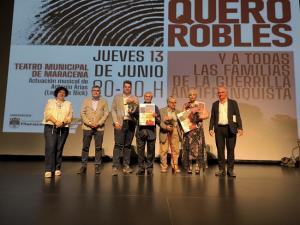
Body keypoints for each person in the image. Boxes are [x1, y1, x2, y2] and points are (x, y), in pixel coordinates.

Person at [209, 86, 243, 177]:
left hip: (230, 128)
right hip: (219, 129)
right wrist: (210, 128)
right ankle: (221, 170)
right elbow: (212, 117)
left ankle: (230, 170)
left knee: (231, 150)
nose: (220, 94)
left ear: (226, 93)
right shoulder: (215, 104)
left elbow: (237, 115)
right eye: (219, 92)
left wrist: (240, 127)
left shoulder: (233, 103)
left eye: (222, 92)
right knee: (220, 150)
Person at [77, 85, 109, 175]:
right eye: (94, 90)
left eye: (97, 90)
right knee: (85, 147)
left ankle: (97, 166)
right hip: (87, 127)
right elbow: (82, 113)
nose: (96, 92)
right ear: (91, 91)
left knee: (98, 148)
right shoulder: (86, 101)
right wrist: (89, 123)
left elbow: (106, 114)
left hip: (99, 128)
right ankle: (83, 166)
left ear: (100, 92)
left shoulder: (104, 101)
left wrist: (98, 123)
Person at [42, 86, 73, 178]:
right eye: (60, 92)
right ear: (56, 93)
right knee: (50, 147)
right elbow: (47, 115)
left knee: (59, 148)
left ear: (65, 94)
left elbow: (70, 117)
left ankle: (57, 168)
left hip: (63, 128)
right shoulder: (50, 102)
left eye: (63, 92)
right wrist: (56, 122)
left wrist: (62, 123)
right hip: (51, 127)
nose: (61, 93)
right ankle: (48, 169)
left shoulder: (68, 103)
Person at [111, 80, 139, 176]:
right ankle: (115, 166)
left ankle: (126, 165)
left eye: (129, 87)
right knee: (118, 145)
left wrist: (133, 106)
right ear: (123, 87)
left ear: (131, 88)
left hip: (131, 123)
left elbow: (136, 111)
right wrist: (116, 122)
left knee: (127, 146)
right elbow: (113, 110)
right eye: (125, 87)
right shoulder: (117, 97)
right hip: (120, 123)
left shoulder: (135, 98)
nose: (127, 88)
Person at [130, 91, 161, 176]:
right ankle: (141, 168)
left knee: (151, 152)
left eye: (149, 96)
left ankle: (150, 168)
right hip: (141, 132)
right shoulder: (139, 107)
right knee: (140, 152)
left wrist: (156, 117)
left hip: (151, 133)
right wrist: (131, 112)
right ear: (144, 97)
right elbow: (134, 117)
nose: (147, 98)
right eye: (146, 96)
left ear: (152, 98)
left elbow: (159, 122)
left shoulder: (155, 108)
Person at [182, 89, 209, 174]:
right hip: (189, 129)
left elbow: (206, 115)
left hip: (198, 129)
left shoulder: (200, 105)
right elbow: (182, 117)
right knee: (188, 147)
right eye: (190, 95)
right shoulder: (186, 105)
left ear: (196, 95)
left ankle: (197, 166)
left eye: (193, 94)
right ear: (188, 96)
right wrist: (188, 116)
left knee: (198, 147)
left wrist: (198, 115)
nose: (192, 96)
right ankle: (189, 166)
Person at [159, 96, 181, 173]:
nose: (174, 104)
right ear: (168, 103)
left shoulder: (178, 112)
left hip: (175, 131)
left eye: (175, 102)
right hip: (165, 131)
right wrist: (166, 126)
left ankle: (175, 165)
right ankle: (164, 166)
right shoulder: (162, 111)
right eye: (172, 102)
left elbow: (181, 122)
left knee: (175, 149)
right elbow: (159, 122)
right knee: (164, 150)